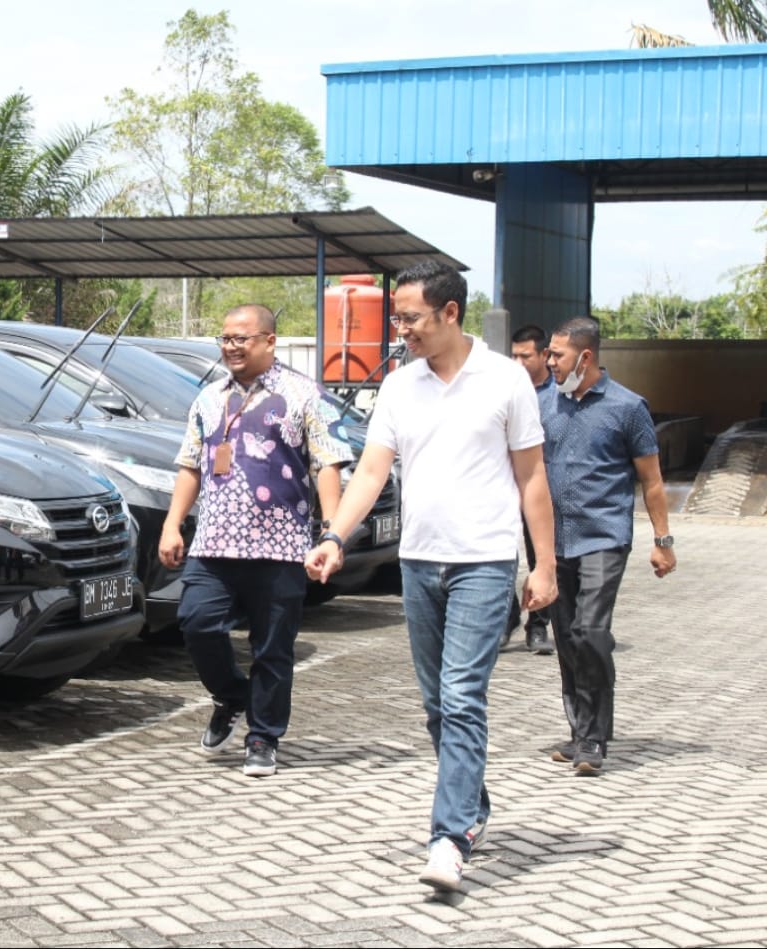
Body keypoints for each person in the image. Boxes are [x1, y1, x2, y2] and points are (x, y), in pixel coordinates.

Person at [305, 261, 557, 895]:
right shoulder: (399, 385)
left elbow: (532, 479)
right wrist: (335, 535)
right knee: (436, 705)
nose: (402, 330)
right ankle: (471, 800)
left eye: (411, 318)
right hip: (417, 562)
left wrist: (545, 565)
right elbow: (368, 474)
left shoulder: (505, 381)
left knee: (463, 694)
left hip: (484, 560)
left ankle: (449, 837)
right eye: (397, 317)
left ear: (450, 313)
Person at [159, 303, 355, 778]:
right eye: (225, 339)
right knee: (196, 623)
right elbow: (190, 464)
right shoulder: (208, 398)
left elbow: (327, 463)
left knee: (272, 648)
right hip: (214, 543)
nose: (231, 347)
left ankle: (264, 736)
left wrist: (331, 532)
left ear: (270, 340)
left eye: (241, 338)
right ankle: (231, 695)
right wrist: (172, 523)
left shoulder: (304, 395)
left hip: (280, 546)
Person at [541, 316, 676, 776]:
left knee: (590, 633)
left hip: (604, 537)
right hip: (555, 542)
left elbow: (652, 482)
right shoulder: (544, 404)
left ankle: (594, 738)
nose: (549, 362)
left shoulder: (628, 407)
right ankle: (582, 731)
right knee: (566, 638)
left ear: (585, 357)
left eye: (556, 354)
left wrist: (663, 541)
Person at [505, 324, 557, 655]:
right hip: (507, 493)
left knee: (541, 559)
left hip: (543, 492)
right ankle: (506, 619)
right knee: (501, 560)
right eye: (514, 356)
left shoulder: (560, 396)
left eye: (526, 356)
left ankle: (537, 625)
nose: (519, 362)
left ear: (544, 355)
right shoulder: (505, 389)